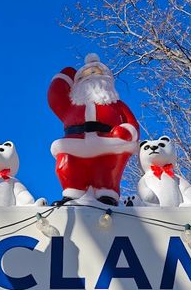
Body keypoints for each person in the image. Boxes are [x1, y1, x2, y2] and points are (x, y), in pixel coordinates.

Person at [47, 53, 140, 206]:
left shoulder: (116, 104)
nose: (90, 77)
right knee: (67, 166)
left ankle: (106, 194)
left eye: (95, 72)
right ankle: (73, 193)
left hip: (109, 143)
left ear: (106, 78)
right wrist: (67, 74)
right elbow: (55, 96)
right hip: (74, 142)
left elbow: (132, 122)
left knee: (107, 168)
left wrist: (128, 132)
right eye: (84, 75)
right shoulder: (71, 104)